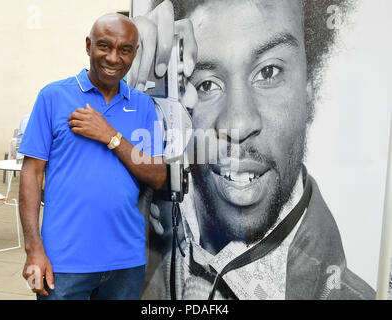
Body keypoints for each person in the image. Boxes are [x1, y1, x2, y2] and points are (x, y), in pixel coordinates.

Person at [130, 0, 376, 300]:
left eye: (269, 72)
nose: (239, 123)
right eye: (206, 85)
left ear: (309, 84)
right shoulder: (132, 240)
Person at [18, 13, 166, 300]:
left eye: (124, 50)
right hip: (63, 262)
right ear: (88, 46)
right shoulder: (53, 96)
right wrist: (33, 249)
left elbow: (158, 175)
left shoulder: (143, 106)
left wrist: (110, 135)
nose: (113, 58)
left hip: (126, 260)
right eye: (104, 46)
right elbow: (32, 175)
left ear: (135, 54)